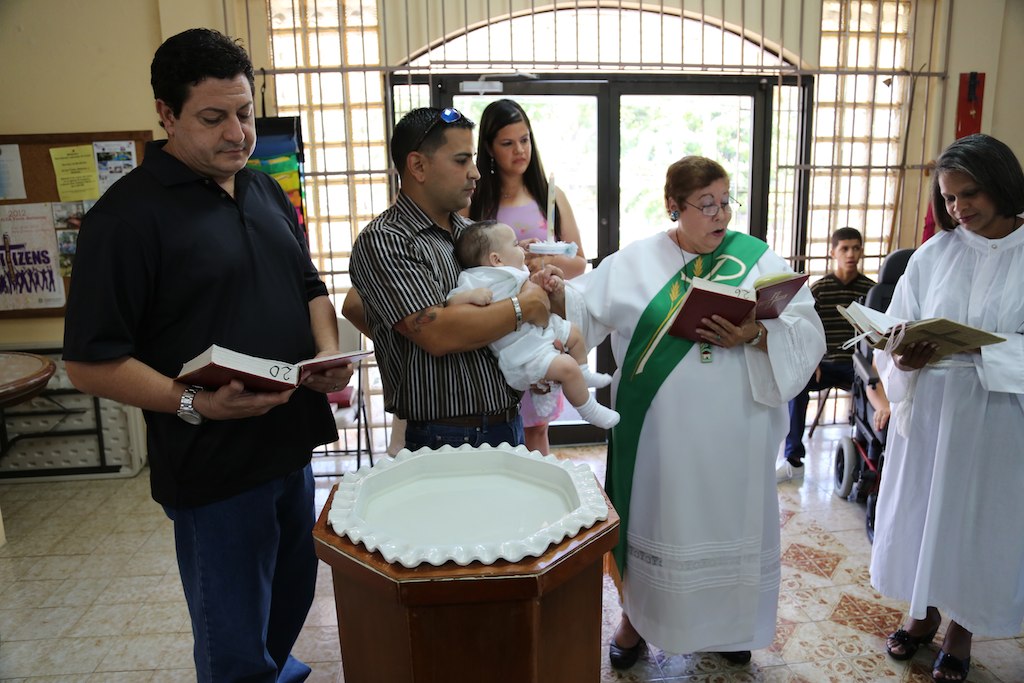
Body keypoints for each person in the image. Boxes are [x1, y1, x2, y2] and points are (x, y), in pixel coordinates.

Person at [61, 28, 349, 683]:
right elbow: (89, 360)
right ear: (166, 114)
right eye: (213, 118)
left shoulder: (263, 189)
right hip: (214, 470)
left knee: (290, 598)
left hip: (290, 446)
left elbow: (310, 289)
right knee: (232, 639)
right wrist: (192, 401)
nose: (236, 134)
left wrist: (327, 353)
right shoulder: (127, 219)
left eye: (244, 113)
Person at [558, 156, 825, 669]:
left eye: (726, 202)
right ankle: (635, 621)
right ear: (674, 207)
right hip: (662, 438)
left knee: (731, 524)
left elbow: (805, 327)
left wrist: (758, 332)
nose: (720, 215)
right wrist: (551, 293)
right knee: (657, 519)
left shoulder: (758, 259)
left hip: (735, 435)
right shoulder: (633, 262)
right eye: (706, 205)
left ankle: (729, 625)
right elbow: (580, 313)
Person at [870, 133, 1024, 682]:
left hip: (999, 415)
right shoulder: (936, 253)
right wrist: (902, 360)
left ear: (1003, 185)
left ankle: (961, 629)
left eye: (971, 194)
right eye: (950, 198)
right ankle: (921, 614)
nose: (959, 209)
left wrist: (983, 345)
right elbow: (897, 322)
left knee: (977, 523)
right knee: (923, 515)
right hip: (932, 408)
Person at [348, 106, 555, 452]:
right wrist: (522, 306)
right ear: (418, 166)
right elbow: (438, 333)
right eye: (461, 161)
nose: (475, 173)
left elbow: (518, 317)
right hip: (446, 437)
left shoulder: (472, 234)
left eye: (472, 159)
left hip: (508, 421)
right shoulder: (387, 240)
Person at [469, 98, 588, 454]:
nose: (519, 150)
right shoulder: (474, 202)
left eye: (525, 140)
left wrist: (543, 259)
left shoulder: (551, 197)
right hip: (495, 323)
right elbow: (464, 266)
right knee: (497, 426)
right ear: (489, 148)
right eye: (507, 143)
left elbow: (579, 261)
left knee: (537, 429)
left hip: (539, 321)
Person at [448, 220, 618, 429]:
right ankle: (589, 410)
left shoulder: (516, 272)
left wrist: (546, 283)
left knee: (574, 333)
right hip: (523, 351)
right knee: (567, 367)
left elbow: (532, 293)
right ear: (496, 259)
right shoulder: (475, 278)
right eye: (515, 244)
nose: (522, 248)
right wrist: (472, 295)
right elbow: (451, 301)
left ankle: (584, 372)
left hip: (537, 331)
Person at [778, 226, 875, 481]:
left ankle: (868, 456)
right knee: (796, 389)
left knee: (876, 390)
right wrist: (811, 360)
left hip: (857, 364)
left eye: (855, 248)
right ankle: (793, 459)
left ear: (862, 251)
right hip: (822, 363)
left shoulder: (871, 290)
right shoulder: (819, 289)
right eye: (844, 248)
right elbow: (801, 329)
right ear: (833, 252)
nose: (850, 254)